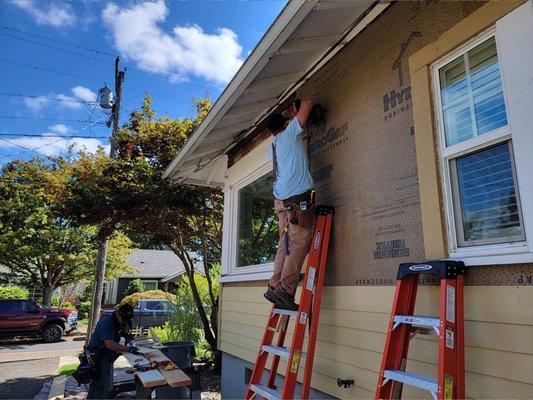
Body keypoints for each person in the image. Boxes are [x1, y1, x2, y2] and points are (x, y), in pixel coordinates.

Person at [264, 99, 315, 311]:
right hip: (297, 199)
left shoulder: (273, 146)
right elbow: (308, 104)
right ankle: (285, 289)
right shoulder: (288, 135)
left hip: (282, 200)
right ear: (285, 124)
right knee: (300, 241)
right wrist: (295, 110)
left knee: (285, 243)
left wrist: (290, 115)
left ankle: (274, 284)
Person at [86, 304, 139, 399]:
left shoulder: (119, 320)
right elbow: (110, 344)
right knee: (102, 389)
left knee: (95, 387)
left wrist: (130, 340)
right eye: (124, 320)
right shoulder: (107, 321)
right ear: (118, 314)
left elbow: (124, 331)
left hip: (105, 356)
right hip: (98, 358)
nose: (124, 322)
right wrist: (129, 349)